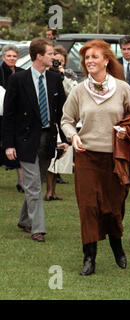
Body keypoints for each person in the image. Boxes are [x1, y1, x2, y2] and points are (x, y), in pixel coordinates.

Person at [61, 39, 130, 276]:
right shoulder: (78, 91)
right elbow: (66, 120)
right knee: (88, 207)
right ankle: (89, 257)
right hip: (86, 157)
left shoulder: (123, 88)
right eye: (86, 58)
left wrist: (128, 130)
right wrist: (72, 136)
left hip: (115, 158)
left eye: (94, 57)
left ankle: (117, 245)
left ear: (107, 60)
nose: (89, 61)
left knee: (113, 207)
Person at [2, 37, 67, 242]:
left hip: (48, 139)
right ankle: (37, 228)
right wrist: (9, 144)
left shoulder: (55, 78)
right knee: (34, 186)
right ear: (39, 56)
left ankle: (24, 219)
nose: (53, 57)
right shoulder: (18, 80)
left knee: (34, 184)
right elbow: (9, 115)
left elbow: (62, 113)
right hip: (25, 140)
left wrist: (64, 139)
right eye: (49, 54)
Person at [44, 45, 77, 201]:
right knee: (51, 158)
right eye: (55, 60)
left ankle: (53, 190)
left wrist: (63, 76)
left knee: (60, 158)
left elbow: (73, 94)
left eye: (61, 61)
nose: (58, 63)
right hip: (52, 119)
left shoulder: (67, 75)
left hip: (66, 118)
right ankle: (49, 191)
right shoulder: (46, 75)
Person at [0, 44, 25, 193]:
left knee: (18, 148)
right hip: (1, 114)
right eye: (8, 56)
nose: (11, 58)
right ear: (3, 57)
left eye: (14, 56)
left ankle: (21, 182)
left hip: (16, 116)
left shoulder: (21, 72)